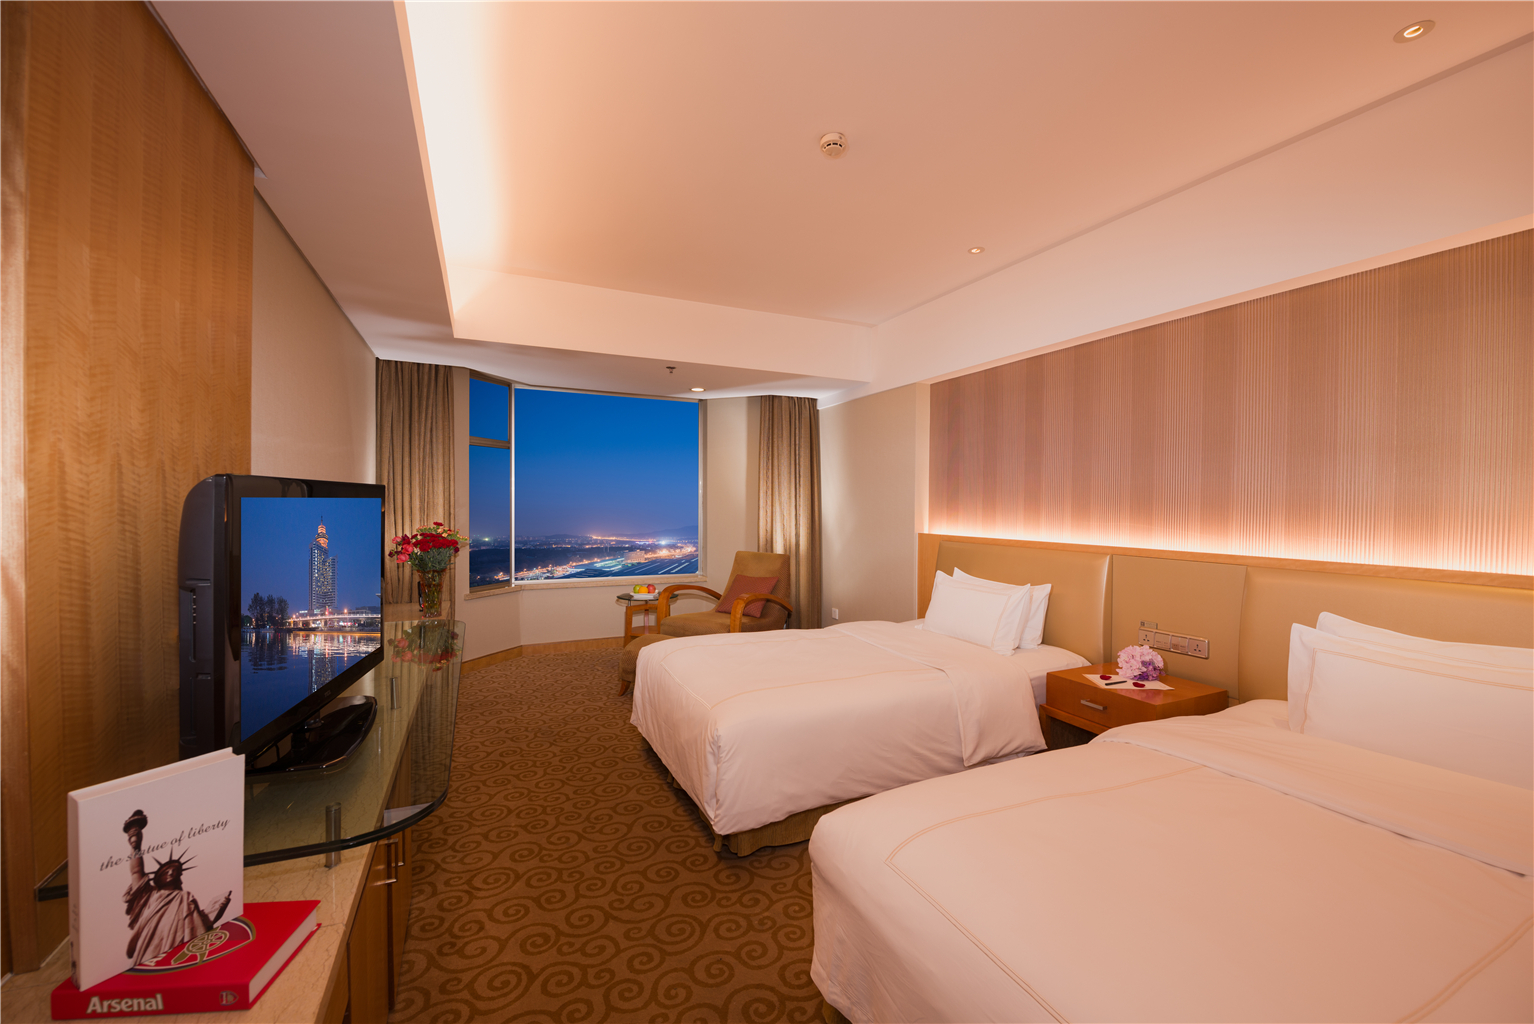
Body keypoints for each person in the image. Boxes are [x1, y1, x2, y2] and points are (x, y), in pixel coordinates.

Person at [121, 810, 231, 963]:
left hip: (179, 942)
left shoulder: (185, 897)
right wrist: (136, 847)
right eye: (166, 872)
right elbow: (136, 871)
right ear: (158, 878)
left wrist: (217, 911)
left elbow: (197, 924)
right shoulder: (150, 895)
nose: (171, 872)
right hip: (151, 940)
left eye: (175, 871)